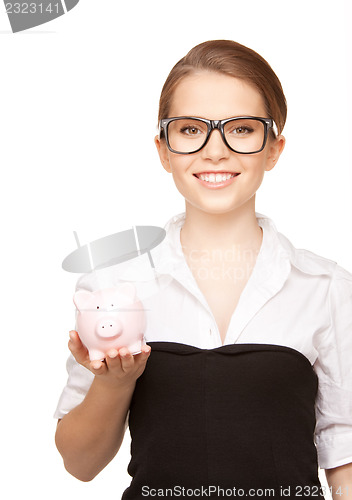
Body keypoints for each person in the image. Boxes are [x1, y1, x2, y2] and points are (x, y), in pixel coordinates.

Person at [55, 40, 352, 498]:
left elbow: (344, 453)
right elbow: (80, 464)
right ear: (163, 150)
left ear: (274, 149)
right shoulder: (110, 286)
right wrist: (115, 384)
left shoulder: (327, 288)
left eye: (242, 129)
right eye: (191, 130)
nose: (215, 151)